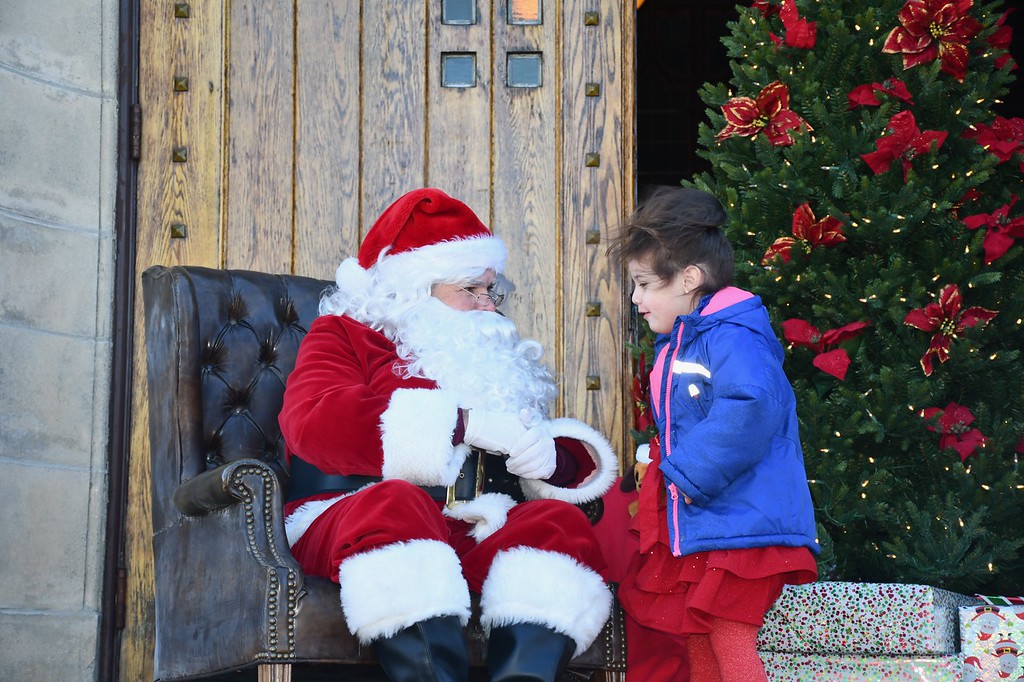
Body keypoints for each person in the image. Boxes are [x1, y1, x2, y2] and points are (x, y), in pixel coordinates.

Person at [278, 187, 619, 681]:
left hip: (470, 525)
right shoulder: (344, 335)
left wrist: (554, 460)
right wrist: (465, 424)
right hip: (356, 521)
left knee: (555, 524)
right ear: (415, 289)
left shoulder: (488, 355)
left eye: (491, 290)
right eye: (470, 290)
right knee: (396, 503)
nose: (488, 306)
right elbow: (315, 424)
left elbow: (535, 456)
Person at [608, 186, 820, 682]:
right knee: (700, 639)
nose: (636, 299)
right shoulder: (686, 340)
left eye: (644, 284)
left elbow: (752, 404)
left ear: (689, 278)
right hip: (713, 524)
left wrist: (688, 470)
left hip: (744, 528)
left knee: (728, 635)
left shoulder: (731, 334)